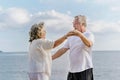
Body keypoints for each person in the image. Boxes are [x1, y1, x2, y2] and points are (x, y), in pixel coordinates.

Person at [52, 15, 95, 80]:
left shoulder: (89, 34)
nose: (73, 26)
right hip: (72, 71)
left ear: (82, 24)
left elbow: (89, 44)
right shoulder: (71, 36)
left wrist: (80, 35)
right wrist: (50, 58)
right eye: (73, 24)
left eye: (76, 24)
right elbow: (63, 49)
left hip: (85, 69)